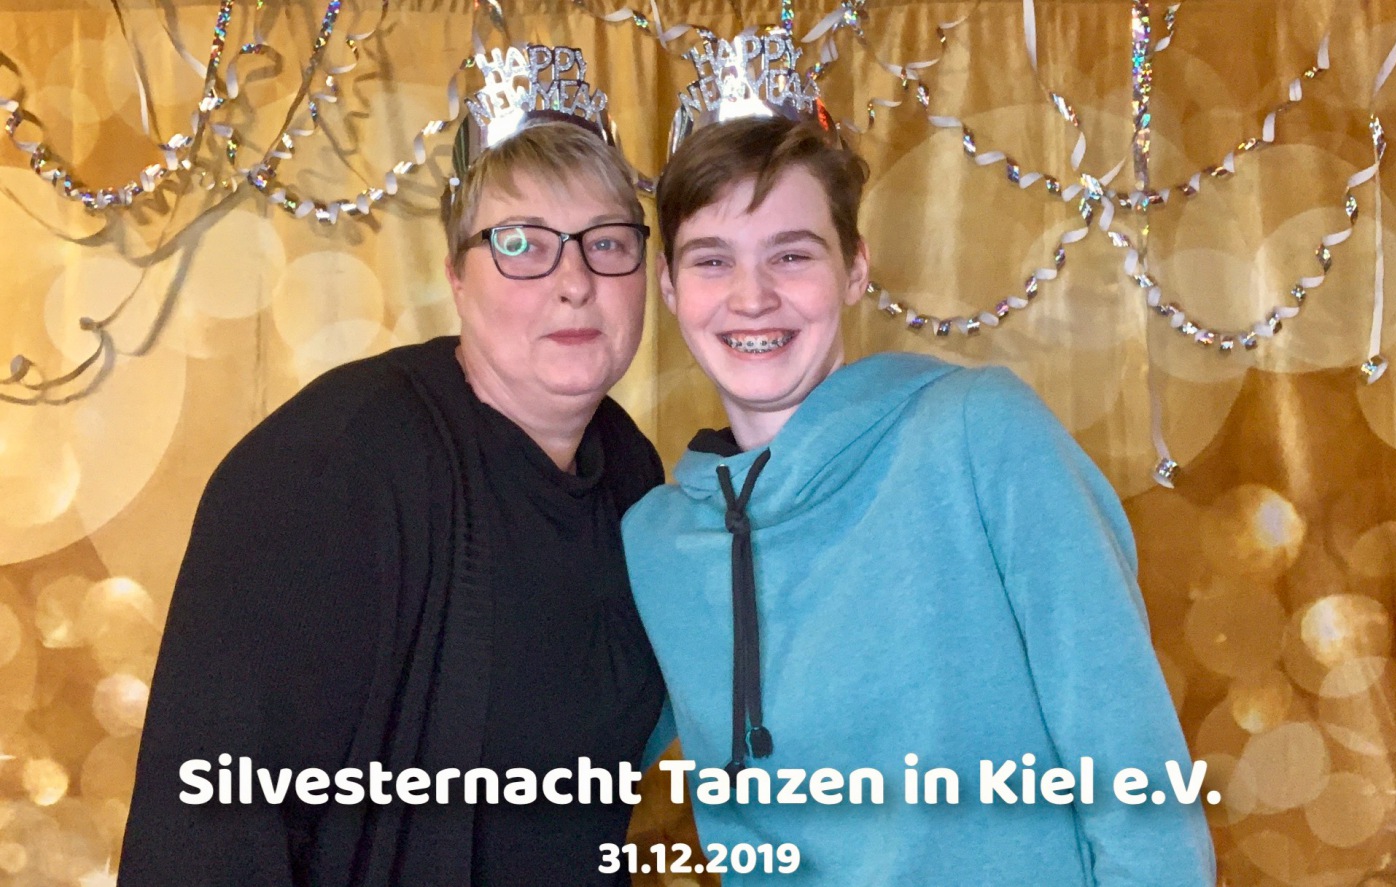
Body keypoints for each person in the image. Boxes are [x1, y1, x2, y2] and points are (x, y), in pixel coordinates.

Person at [623, 114, 1217, 884]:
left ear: (855, 268)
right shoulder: (655, 541)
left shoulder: (978, 432)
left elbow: (1136, 778)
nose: (752, 296)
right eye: (713, 261)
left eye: (791, 255)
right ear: (669, 286)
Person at [120, 48, 665, 885]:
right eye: (520, 243)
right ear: (457, 276)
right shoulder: (335, 464)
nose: (574, 281)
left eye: (606, 242)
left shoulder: (632, 474)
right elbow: (210, 823)